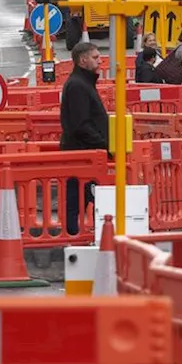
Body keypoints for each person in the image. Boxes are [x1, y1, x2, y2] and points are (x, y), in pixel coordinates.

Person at [59, 41, 110, 235]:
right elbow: (81, 124)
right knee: (78, 198)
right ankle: (74, 235)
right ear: (83, 60)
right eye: (96, 57)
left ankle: (79, 234)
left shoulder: (82, 83)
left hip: (86, 153)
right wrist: (104, 144)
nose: (101, 60)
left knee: (83, 196)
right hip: (83, 154)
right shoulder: (78, 85)